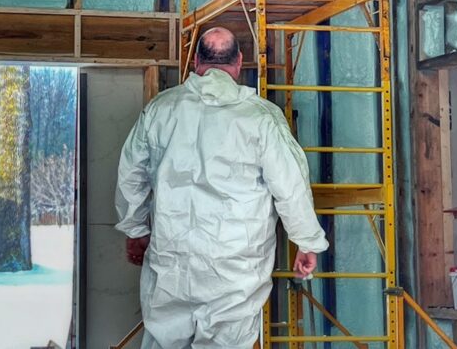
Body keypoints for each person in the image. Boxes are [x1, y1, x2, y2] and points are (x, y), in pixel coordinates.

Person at [115, 27, 328, 349]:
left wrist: (135, 229)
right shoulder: (261, 117)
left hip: (173, 257)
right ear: (239, 62)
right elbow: (290, 186)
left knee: (164, 340)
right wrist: (307, 241)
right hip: (235, 264)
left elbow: (131, 173)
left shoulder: (161, 109)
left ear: (196, 61)